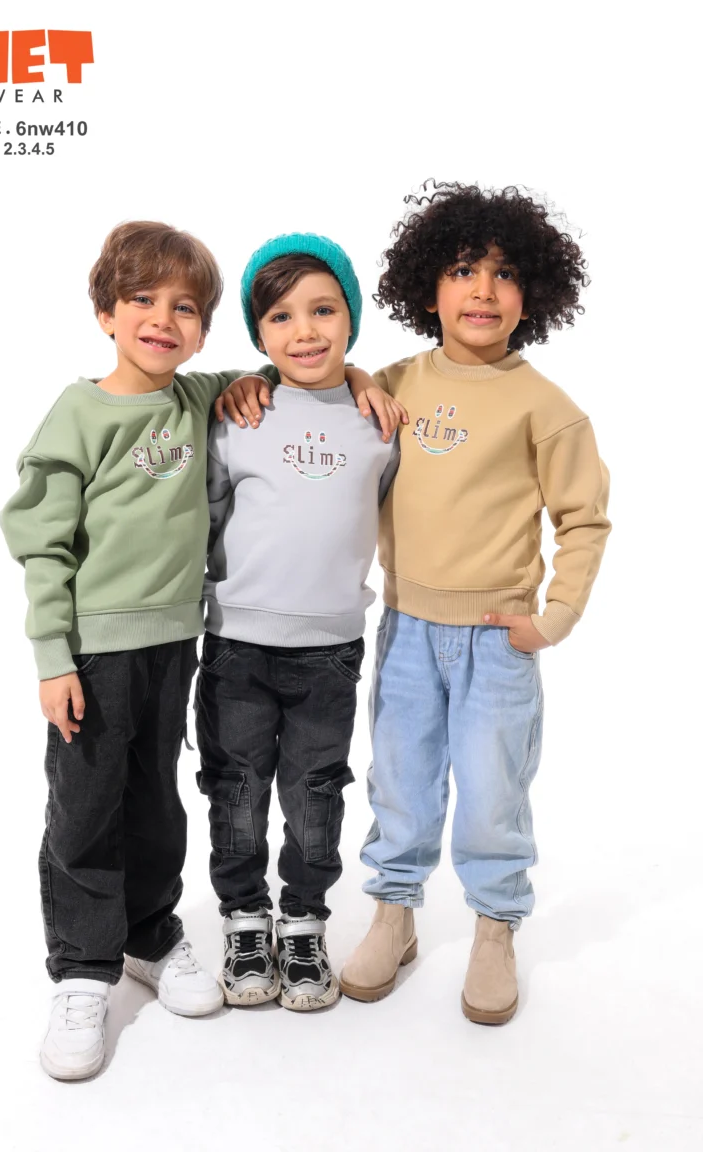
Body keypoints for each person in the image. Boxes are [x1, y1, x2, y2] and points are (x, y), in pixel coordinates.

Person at [0, 220, 290, 1080]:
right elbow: (41, 544)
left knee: (156, 796)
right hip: (93, 652)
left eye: (185, 308)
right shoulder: (79, 413)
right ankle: (82, 968)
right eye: (142, 300)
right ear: (106, 313)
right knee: (85, 806)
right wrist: (53, 656)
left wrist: (331, 376)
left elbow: (279, 369)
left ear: (202, 331)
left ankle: (149, 932)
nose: (163, 318)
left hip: (175, 643)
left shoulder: (196, 398)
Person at [337, 182, 612, 1024]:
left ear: (533, 295)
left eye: (504, 274)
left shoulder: (545, 408)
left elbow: (584, 518)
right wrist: (352, 374)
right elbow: (323, 392)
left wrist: (553, 619)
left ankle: (495, 927)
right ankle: (394, 914)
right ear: (428, 289)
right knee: (401, 779)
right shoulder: (391, 383)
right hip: (406, 629)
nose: (483, 290)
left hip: (498, 638)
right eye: (462, 270)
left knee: (494, 790)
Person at [195, 234, 400, 1011]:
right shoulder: (236, 412)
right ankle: (246, 920)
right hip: (236, 646)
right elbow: (207, 518)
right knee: (236, 789)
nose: (304, 331)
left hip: (328, 652)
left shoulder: (380, 421)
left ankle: (305, 922)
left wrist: (363, 380)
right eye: (280, 317)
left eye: (324, 311)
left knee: (316, 793)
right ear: (258, 333)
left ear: (352, 319)